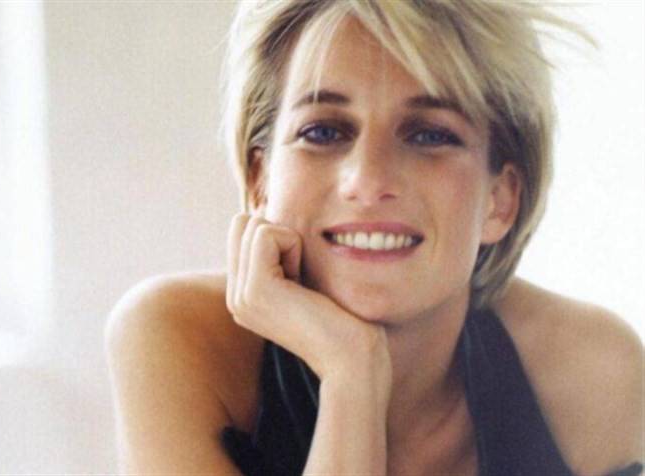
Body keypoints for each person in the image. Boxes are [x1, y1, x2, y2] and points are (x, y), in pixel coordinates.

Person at [105, 1, 643, 474]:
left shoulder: (592, 372)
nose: (367, 180)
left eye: (429, 135)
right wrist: (352, 375)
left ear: (500, 200)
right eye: (323, 131)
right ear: (259, 180)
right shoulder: (177, 341)